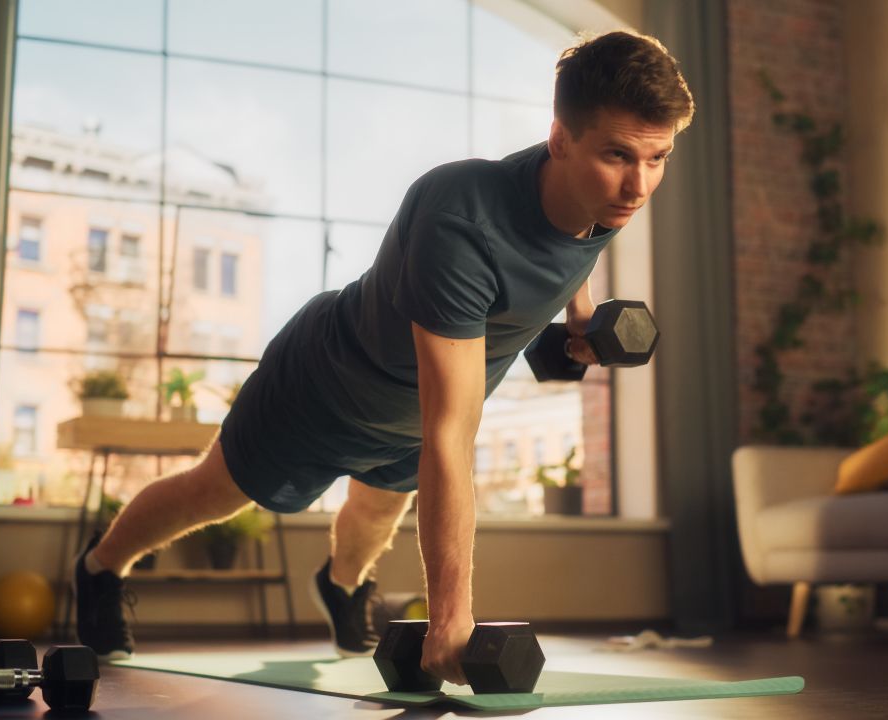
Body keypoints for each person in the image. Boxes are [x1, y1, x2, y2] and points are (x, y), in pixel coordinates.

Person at [74, 29, 693, 686]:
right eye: (620, 156)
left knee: (374, 512)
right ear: (560, 140)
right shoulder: (461, 217)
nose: (638, 184)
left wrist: (579, 319)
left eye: (658, 159)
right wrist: (451, 618)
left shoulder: (595, 198)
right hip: (326, 383)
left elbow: (570, 252)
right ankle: (101, 567)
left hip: (411, 405)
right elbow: (449, 436)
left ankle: (342, 587)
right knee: (213, 493)